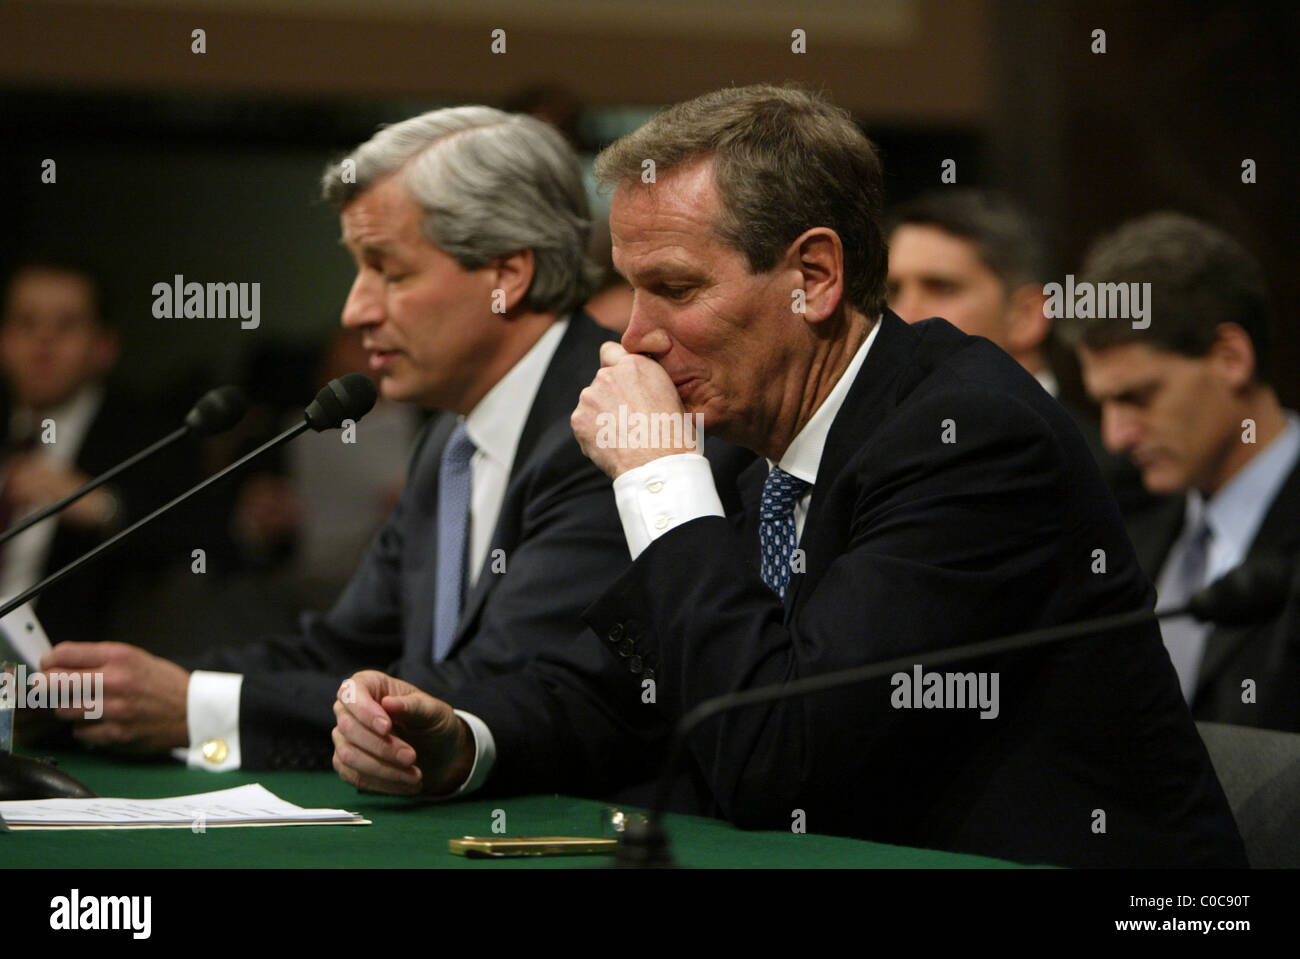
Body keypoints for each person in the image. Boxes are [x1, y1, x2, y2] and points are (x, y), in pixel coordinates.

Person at [331, 84, 1245, 869]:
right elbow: (611, 691)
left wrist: (657, 476)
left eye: (677, 289)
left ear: (814, 274)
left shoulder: (967, 437)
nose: (633, 336)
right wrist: (463, 740)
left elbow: (781, 757)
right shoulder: (738, 429)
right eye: (629, 288)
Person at [39, 106, 634, 775]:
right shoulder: (451, 436)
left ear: (507, 275)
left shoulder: (609, 418)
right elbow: (345, 647)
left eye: (390, 271)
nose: (355, 310)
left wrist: (193, 704)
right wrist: (132, 688)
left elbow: (493, 689)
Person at [1069, 212, 1300, 732]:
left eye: (1137, 397)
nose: (1115, 437)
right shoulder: (1123, 533)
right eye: (1103, 404)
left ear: (1229, 357)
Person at [886, 189, 1154, 515]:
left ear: (1026, 317)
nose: (904, 315)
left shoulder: (1108, 475)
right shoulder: (873, 455)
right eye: (893, 291)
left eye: (941, 288)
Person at [0, 260, 197, 645]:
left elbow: (196, 546)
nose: (43, 342)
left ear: (105, 346)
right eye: (26, 323)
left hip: (60, 673)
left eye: (67, 325)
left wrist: (101, 506)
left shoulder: (152, 436)